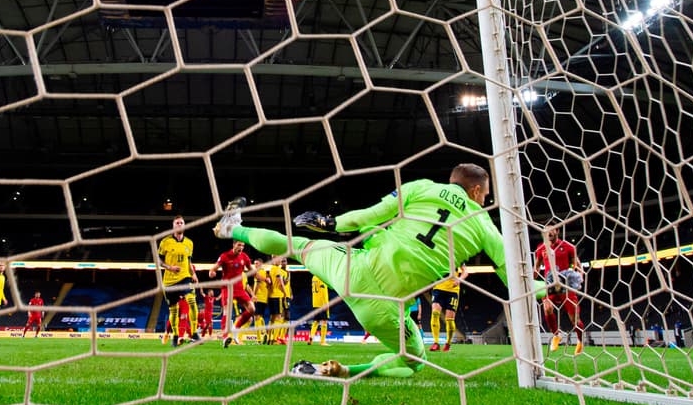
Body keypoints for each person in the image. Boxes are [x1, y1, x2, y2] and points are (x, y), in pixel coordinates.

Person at [214, 162, 546, 380]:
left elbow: (367, 216)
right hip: (382, 308)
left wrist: (331, 223)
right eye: (486, 195)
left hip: (352, 269)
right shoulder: (483, 223)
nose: (486, 200)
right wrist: (550, 287)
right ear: (476, 191)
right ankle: (342, 371)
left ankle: (234, 229)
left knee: (294, 244)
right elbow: (515, 279)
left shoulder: (423, 187)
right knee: (412, 362)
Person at [533, 225, 584, 355]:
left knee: (574, 319)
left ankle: (580, 341)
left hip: (565, 285)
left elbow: (577, 265)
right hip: (550, 284)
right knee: (547, 308)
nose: (549, 233)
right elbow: (537, 267)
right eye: (546, 231)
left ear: (557, 231)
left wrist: (579, 277)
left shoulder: (568, 247)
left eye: (551, 230)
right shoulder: (541, 248)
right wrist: (530, 282)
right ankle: (556, 335)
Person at [157, 215, 200, 346]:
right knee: (174, 311)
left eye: (182, 222)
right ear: (173, 226)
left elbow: (189, 260)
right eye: (177, 223)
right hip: (169, 281)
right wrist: (169, 267)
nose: (180, 224)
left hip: (185, 277)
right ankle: (175, 336)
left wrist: (193, 274)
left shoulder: (189, 243)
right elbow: (158, 261)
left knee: (192, 300)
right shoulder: (165, 242)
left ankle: (194, 333)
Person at [208, 239, 256, 346]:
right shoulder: (225, 256)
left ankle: (236, 328)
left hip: (240, 289)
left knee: (252, 309)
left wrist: (261, 277)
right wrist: (212, 273)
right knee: (227, 312)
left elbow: (252, 271)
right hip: (227, 288)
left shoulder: (244, 257)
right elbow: (213, 269)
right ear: (234, 245)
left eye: (243, 246)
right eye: (239, 245)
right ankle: (225, 337)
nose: (241, 247)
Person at [428, 266, 465, 352]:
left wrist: (459, 280)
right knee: (435, 314)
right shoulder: (437, 255)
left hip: (453, 291)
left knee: (450, 319)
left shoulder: (457, 256)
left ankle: (448, 343)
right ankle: (436, 343)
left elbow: (465, 271)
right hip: (438, 289)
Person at [310, 273, 331, 346]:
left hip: (315, 302)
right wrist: (326, 304)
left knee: (316, 321)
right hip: (322, 303)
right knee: (324, 322)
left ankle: (311, 337)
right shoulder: (322, 278)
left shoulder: (314, 277)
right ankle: (322, 341)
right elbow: (323, 293)